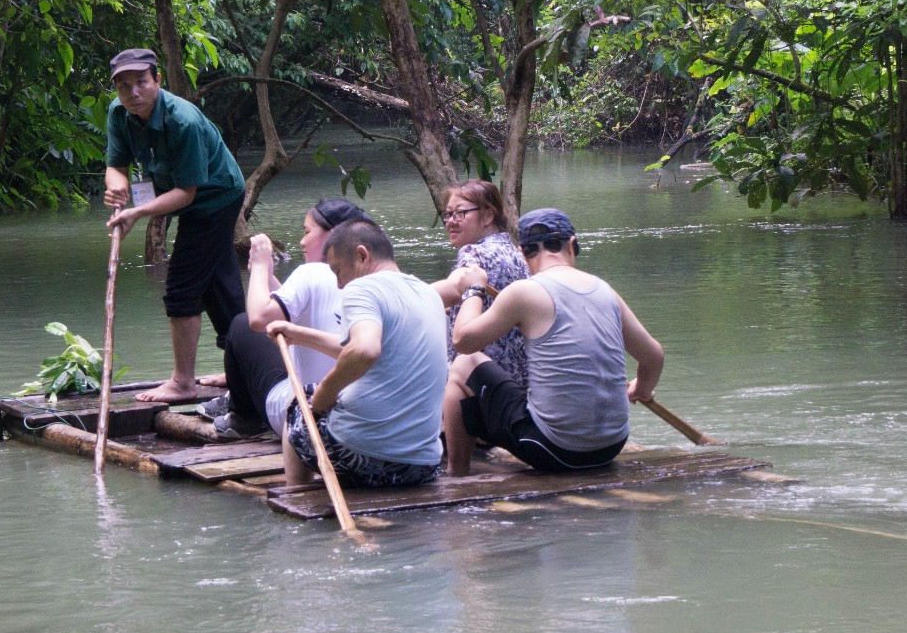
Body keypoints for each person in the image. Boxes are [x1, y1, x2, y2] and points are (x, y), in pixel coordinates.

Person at [442, 207, 664, 476]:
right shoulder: (605, 290)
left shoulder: (525, 291)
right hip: (612, 445)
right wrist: (641, 388)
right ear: (572, 245)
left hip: (555, 450)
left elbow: (463, 341)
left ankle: (457, 475)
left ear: (523, 254)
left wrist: (473, 289)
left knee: (464, 364)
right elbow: (654, 357)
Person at [100, 48, 246, 404]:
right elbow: (115, 163)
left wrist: (137, 212)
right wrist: (116, 187)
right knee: (219, 285)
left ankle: (183, 383)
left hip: (216, 197)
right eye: (123, 86)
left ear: (158, 80)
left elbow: (186, 193)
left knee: (182, 288)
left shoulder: (184, 121)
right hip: (190, 198)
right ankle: (242, 368)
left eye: (141, 83)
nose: (133, 93)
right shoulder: (119, 114)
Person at [266, 218, 445, 489]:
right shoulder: (427, 293)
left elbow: (364, 349)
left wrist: (324, 393)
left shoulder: (362, 288)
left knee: (300, 401)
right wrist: (299, 334)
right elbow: (357, 346)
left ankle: (296, 495)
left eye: (337, 271)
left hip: (367, 459)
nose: (338, 285)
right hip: (422, 465)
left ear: (362, 256)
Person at [203, 197, 371, 439]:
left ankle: (244, 417)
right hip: (363, 410)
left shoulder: (312, 272)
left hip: (306, 414)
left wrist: (260, 267)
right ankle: (234, 395)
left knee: (241, 325)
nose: (302, 241)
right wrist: (269, 273)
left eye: (307, 232)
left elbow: (258, 318)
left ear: (334, 236)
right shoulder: (379, 277)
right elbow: (295, 312)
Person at [428, 180, 529, 382]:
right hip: (519, 376)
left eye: (460, 213)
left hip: (483, 381)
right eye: (447, 214)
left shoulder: (474, 252)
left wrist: (395, 293)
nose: (450, 221)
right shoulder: (513, 250)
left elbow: (455, 287)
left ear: (488, 215)